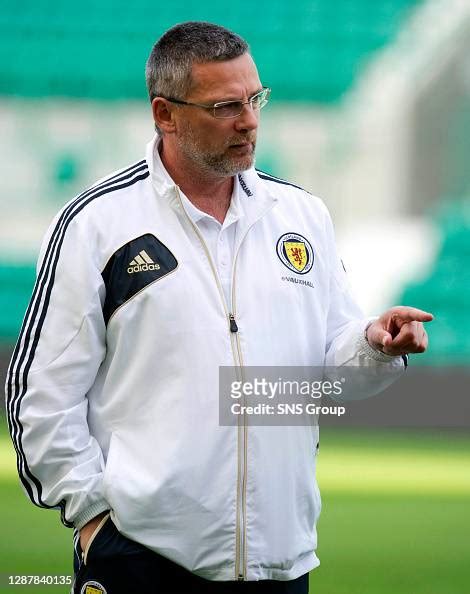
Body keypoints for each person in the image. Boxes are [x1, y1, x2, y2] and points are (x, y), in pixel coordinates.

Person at [5, 21, 432, 594]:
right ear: (165, 114)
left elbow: (324, 376)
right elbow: (41, 395)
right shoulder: (95, 225)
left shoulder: (302, 215)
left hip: (280, 562)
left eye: (255, 99)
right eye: (225, 106)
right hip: (140, 558)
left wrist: (373, 346)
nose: (249, 120)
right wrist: (92, 518)